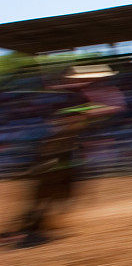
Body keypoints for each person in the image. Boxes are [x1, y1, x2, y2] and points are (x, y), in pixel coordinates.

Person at [2, 64, 124, 247]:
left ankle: (33, 224)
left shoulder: (79, 98)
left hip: (64, 156)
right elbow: (72, 118)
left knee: (46, 193)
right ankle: (32, 224)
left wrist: (82, 115)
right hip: (61, 156)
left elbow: (81, 117)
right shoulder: (74, 99)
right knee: (46, 193)